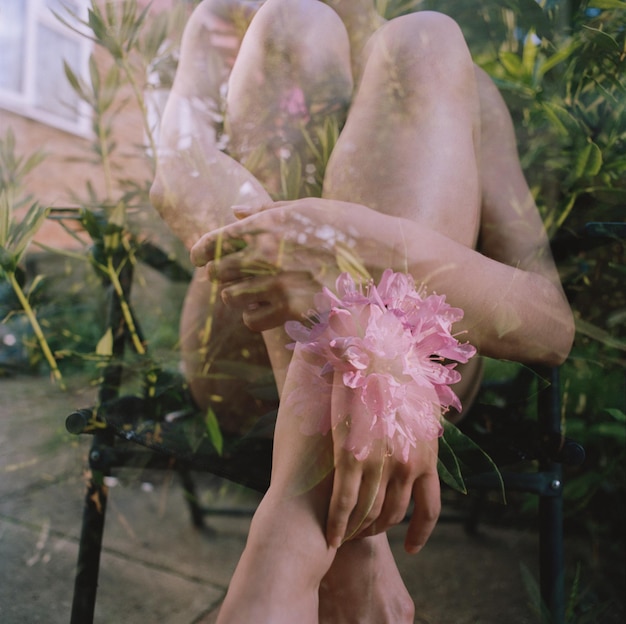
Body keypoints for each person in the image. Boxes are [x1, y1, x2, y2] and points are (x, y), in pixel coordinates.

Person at [150, 1, 575, 622]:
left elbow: (550, 325)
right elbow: (176, 178)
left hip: (422, 389)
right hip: (240, 359)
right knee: (292, 24)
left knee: (425, 42)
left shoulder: (455, 79)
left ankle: (286, 548)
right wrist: (346, 325)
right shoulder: (230, 20)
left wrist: (369, 252)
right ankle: (349, 553)